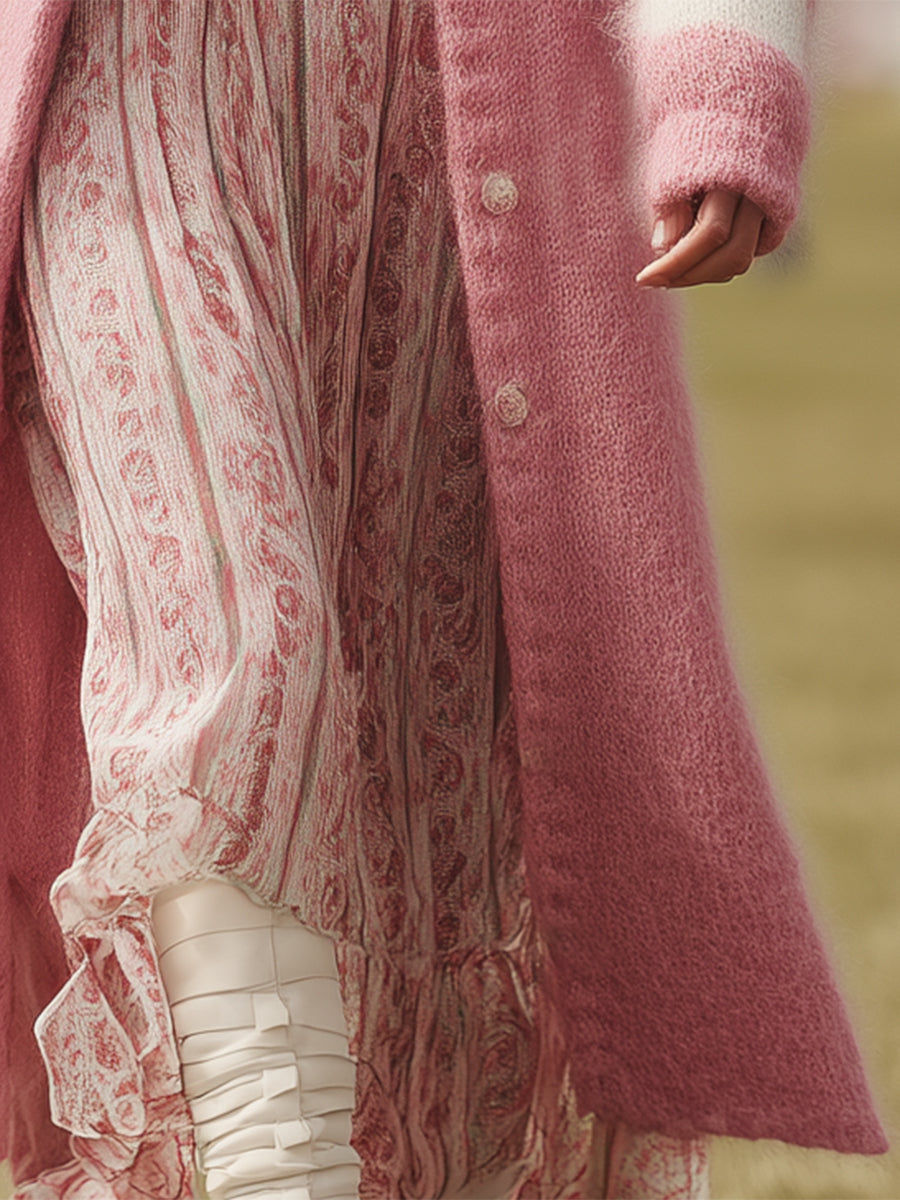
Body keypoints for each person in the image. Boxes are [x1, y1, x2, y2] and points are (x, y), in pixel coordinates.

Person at [0, 1, 888, 1197]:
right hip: (133, 98)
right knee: (234, 637)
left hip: (444, 120)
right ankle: (277, 1170)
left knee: (432, 757)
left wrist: (720, 79)